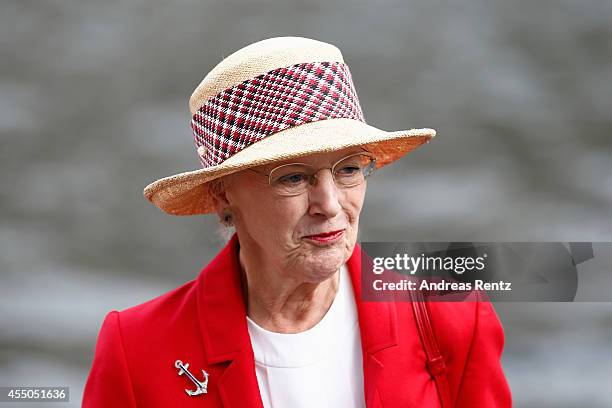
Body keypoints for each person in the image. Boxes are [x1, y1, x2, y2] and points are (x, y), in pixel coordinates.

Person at [83, 36, 511, 407]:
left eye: (348, 170)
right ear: (222, 194)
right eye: (292, 177)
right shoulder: (138, 348)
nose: (329, 204)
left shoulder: (452, 318)